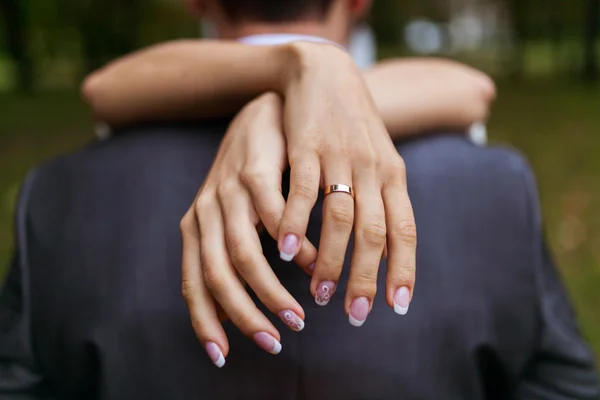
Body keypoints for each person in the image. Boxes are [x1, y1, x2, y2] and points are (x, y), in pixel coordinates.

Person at [0, 2, 598, 400]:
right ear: (359, 0)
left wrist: (272, 101)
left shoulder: (56, 194)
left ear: (199, 1)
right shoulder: (496, 185)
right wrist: (299, 73)